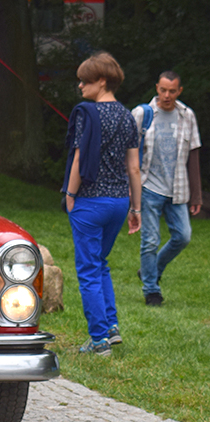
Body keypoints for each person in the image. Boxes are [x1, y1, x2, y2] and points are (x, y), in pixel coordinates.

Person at [61, 51, 141, 356]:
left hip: (90, 204)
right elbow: (134, 168)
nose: (80, 86)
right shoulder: (128, 116)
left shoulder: (87, 113)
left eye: (85, 81)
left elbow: (79, 158)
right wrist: (136, 209)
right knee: (101, 262)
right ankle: (111, 326)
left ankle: (98, 341)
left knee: (89, 269)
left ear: (102, 81)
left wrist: (69, 195)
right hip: (119, 202)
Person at [131, 72, 202, 306]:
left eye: (172, 91)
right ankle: (151, 290)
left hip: (178, 188)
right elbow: (128, 151)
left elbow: (193, 155)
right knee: (150, 240)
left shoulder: (186, 115)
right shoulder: (143, 114)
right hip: (149, 186)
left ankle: (150, 269)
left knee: (183, 236)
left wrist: (196, 194)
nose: (167, 95)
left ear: (179, 91)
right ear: (157, 88)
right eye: (163, 90)